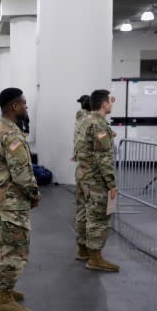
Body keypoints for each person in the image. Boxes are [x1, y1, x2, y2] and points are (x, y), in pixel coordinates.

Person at [0, 88, 40, 311]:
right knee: (15, 250)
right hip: (12, 200)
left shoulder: (0, 129)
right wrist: (33, 194)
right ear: (15, 107)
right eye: (24, 104)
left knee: (2, 246)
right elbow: (21, 174)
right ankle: (5, 299)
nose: (26, 107)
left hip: (0, 197)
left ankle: (0, 289)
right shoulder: (12, 135)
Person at [75, 89, 120, 273]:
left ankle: (83, 250)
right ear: (104, 104)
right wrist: (111, 183)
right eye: (110, 100)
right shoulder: (99, 125)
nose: (112, 103)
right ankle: (95, 257)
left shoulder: (84, 120)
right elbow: (104, 158)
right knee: (99, 217)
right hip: (96, 179)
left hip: (83, 176)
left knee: (83, 213)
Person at [71, 95, 92, 260]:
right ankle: (94, 252)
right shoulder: (91, 122)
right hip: (91, 170)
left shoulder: (79, 118)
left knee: (81, 209)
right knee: (94, 211)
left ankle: (82, 248)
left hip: (81, 169)